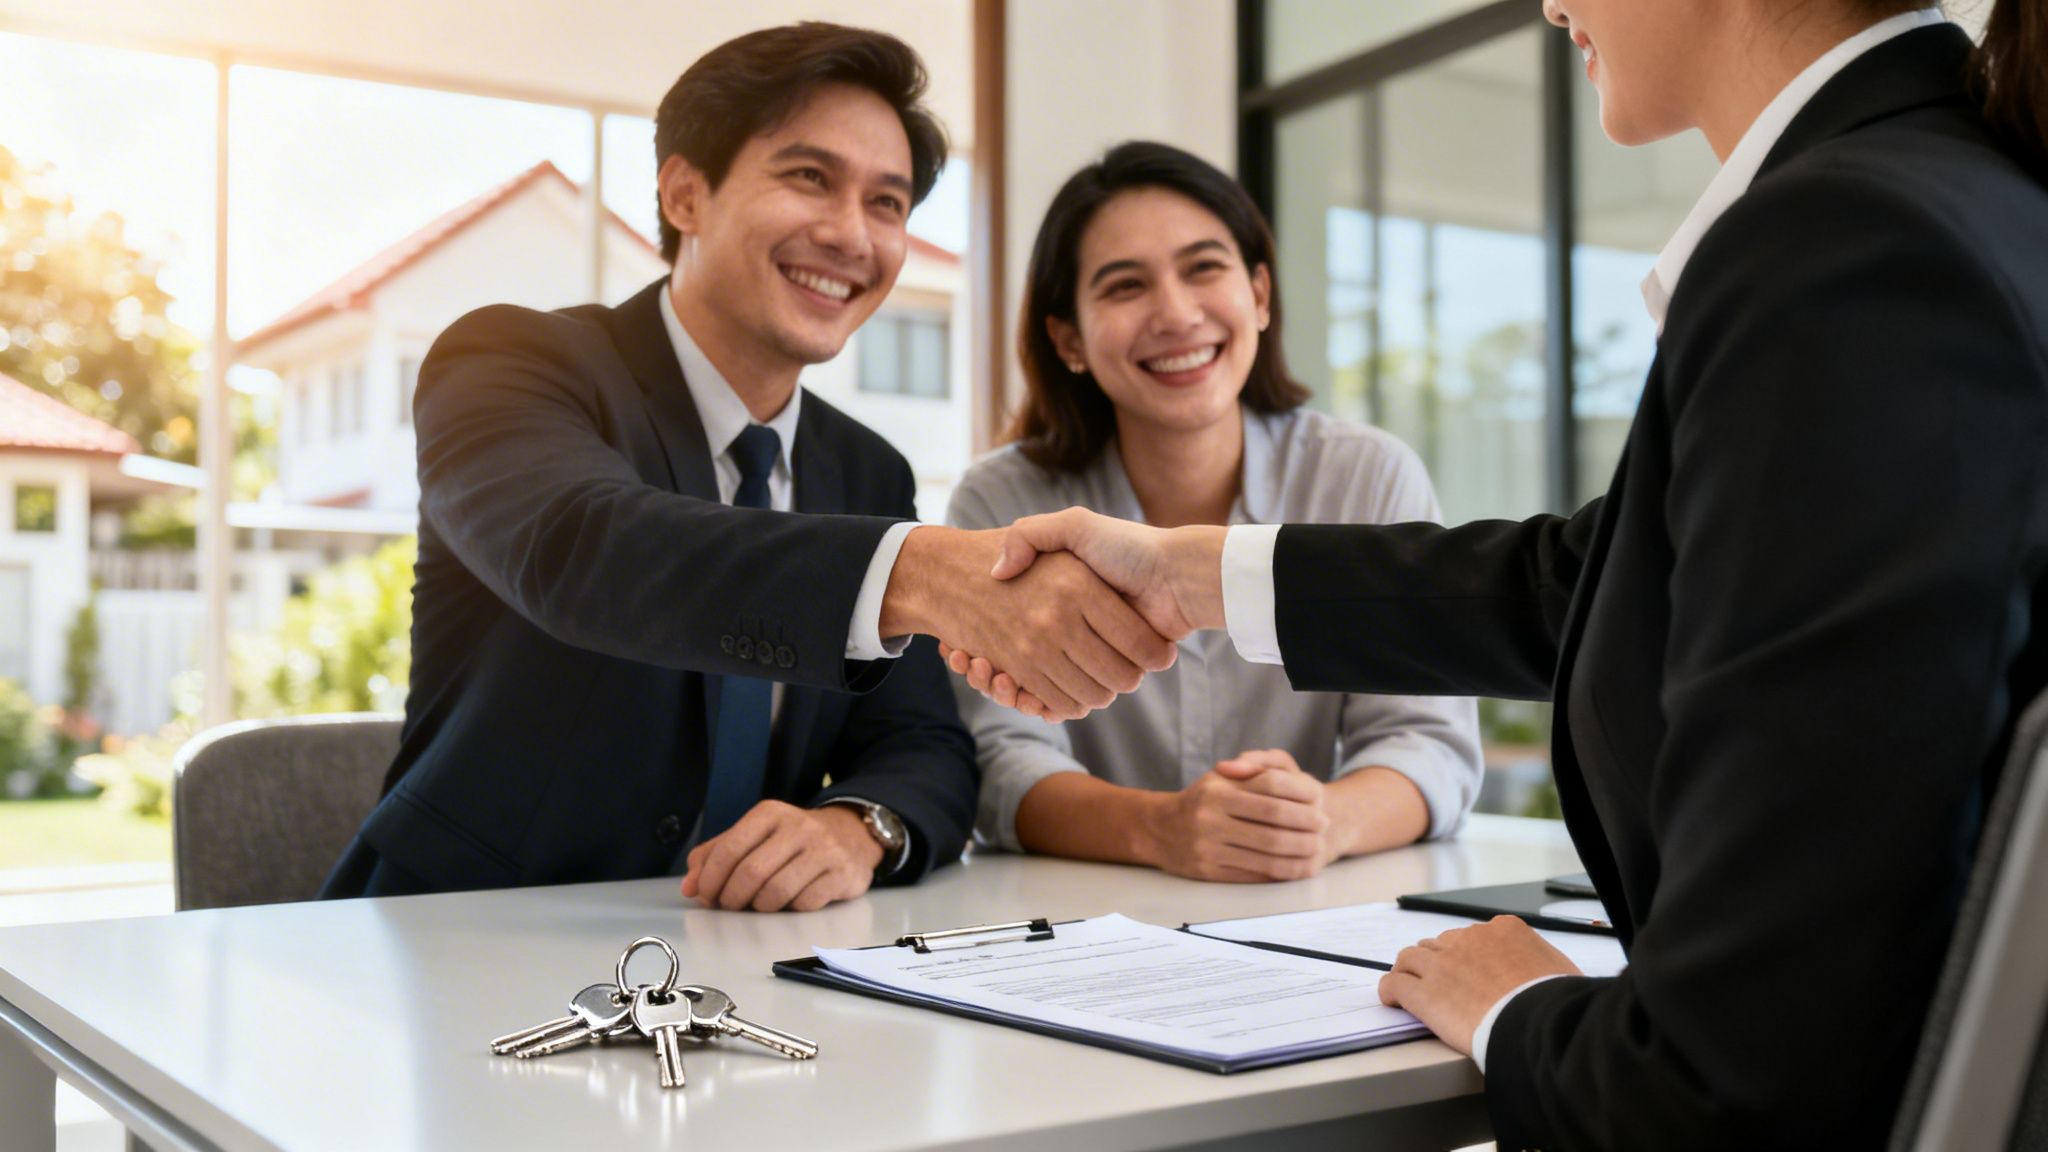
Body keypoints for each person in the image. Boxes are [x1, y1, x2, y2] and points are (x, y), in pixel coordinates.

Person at [956, 1, 2048, 1144]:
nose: (1549, 4)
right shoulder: (1939, 196)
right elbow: (1600, 579)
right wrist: (1193, 575)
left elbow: (1734, 1082)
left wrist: (1517, 1009)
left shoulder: (1848, 244)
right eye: (1123, 285)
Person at [320, 23, 1177, 909]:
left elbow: (924, 745)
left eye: (887, 203)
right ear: (685, 194)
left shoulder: (868, 470)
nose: (851, 234)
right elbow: (586, 549)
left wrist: (856, 826)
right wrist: (917, 571)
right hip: (462, 931)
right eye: (809, 178)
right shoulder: (513, 364)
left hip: (741, 950)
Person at [946, 142, 1482, 881]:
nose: (1176, 313)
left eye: (1203, 268)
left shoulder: (1366, 478)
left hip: (1309, 908)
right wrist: (1160, 830)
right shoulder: (1000, 503)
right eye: (1125, 285)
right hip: (1084, 914)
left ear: (1259, 295)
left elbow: (1428, 740)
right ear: (1069, 338)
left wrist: (1321, 823)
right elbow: (1000, 760)